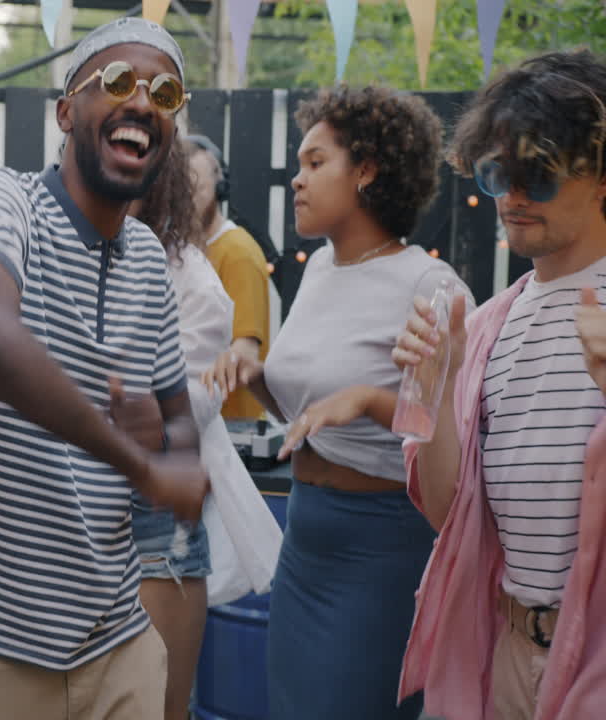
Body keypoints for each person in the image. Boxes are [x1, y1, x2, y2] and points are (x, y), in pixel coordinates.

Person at [0, 18, 208, 719]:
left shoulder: (150, 260)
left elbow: (178, 417)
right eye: (120, 81)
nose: (145, 103)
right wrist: (139, 460)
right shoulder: (5, 202)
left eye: (165, 93)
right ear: (67, 112)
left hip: (116, 644)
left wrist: (172, 448)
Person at [205, 85, 473, 719]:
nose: (297, 180)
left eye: (315, 163)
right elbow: (306, 413)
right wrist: (256, 375)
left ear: (368, 170)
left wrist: (368, 399)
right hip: (305, 537)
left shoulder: (427, 283)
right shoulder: (322, 269)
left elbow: (448, 428)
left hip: (380, 548)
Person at [393, 50, 606, 719]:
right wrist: (437, 388)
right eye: (496, 174)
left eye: (536, 175)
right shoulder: (486, 326)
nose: (510, 197)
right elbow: (443, 510)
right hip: (504, 651)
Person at [125, 138, 219, 718]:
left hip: (153, 532)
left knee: (156, 708)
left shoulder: (194, 284)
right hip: (62, 522)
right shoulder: (63, 255)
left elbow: (177, 419)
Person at [182, 134, 272, 419]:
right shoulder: (180, 251)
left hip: (232, 425)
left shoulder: (238, 252)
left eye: (197, 190)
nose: (185, 202)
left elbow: (245, 351)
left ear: (220, 189)